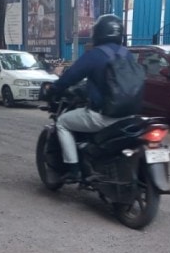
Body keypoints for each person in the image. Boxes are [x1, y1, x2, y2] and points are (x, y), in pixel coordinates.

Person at [48, 14, 134, 183]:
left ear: (98, 33)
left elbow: (71, 76)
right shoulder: (127, 54)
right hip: (129, 117)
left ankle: (73, 169)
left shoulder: (96, 54)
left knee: (62, 123)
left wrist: (54, 88)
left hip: (103, 116)